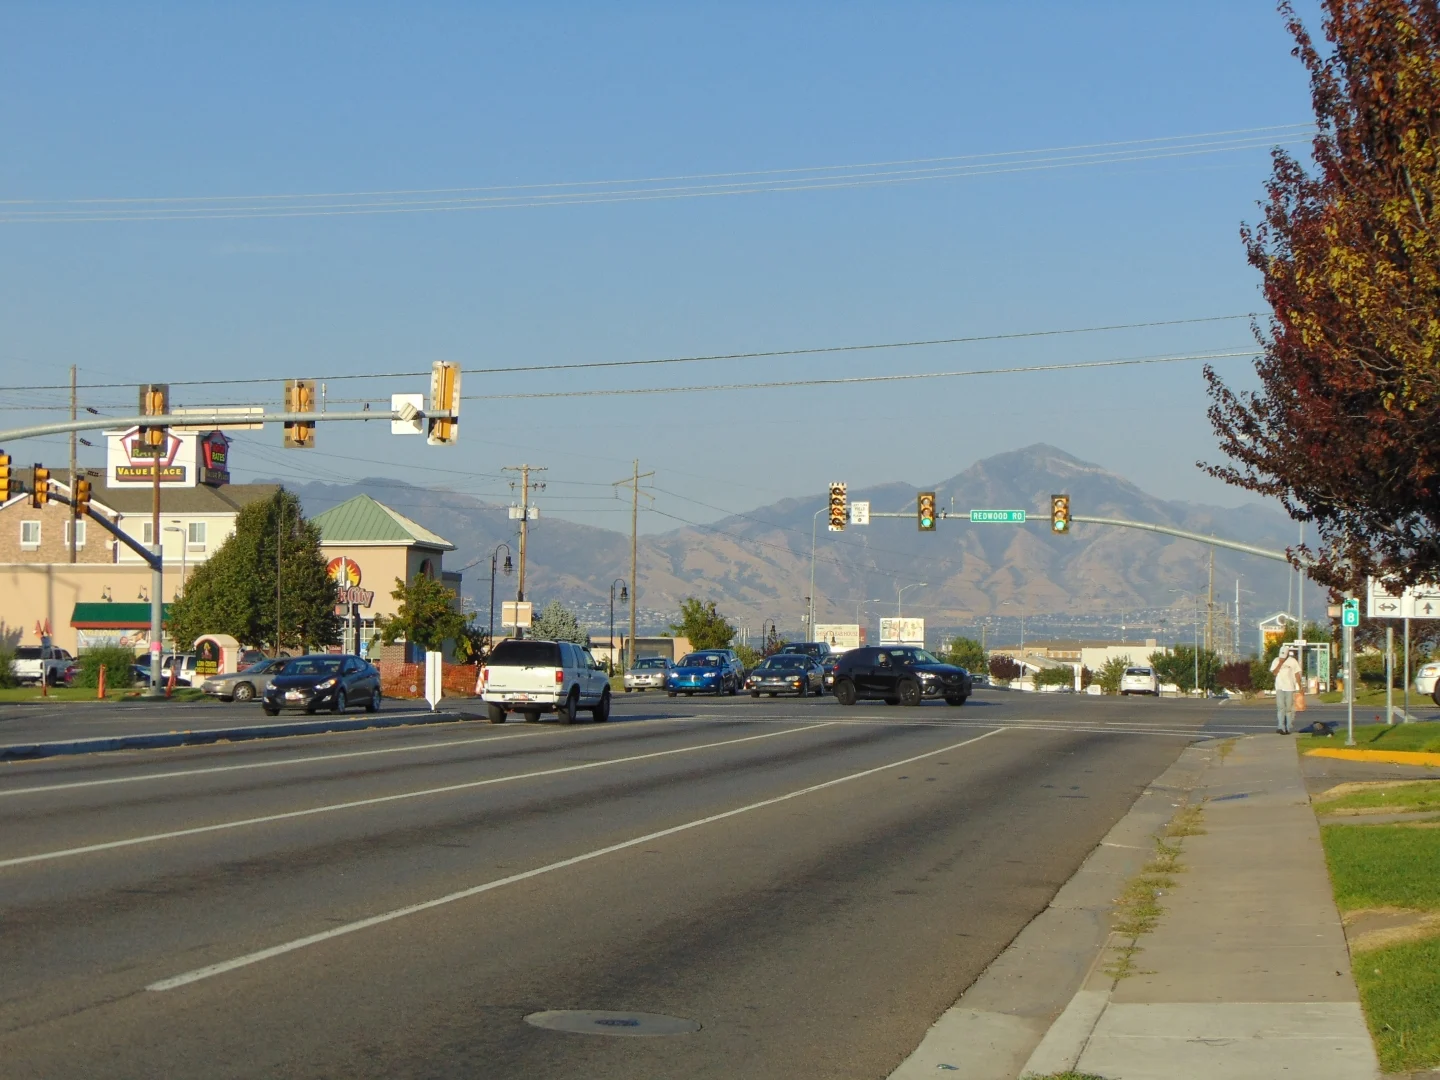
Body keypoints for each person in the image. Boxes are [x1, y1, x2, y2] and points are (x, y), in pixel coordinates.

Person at [1271, 645, 1303, 734]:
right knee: (1281, 707)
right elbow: (1274, 673)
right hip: (1279, 687)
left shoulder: (1292, 661)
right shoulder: (1276, 660)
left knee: (1289, 708)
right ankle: (1281, 726)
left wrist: (1300, 686)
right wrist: (1280, 663)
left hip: (1290, 687)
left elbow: (1297, 674)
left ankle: (1289, 726)